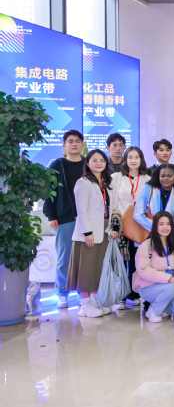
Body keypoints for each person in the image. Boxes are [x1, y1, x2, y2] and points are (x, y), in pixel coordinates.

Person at [67, 150, 120, 317]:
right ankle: (85, 304)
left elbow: (112, 208)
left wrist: (114, 227)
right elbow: (81, 210)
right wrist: (87, 233)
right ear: (88, 163)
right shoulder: (83, 182)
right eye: (94, 160)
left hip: (104, 230)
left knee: (98, 268)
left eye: (102, 160)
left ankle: (95, 301)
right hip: (88, 232)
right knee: (86, 268)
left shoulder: (106, 183)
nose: (98, 163)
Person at [44, 130, 85, 309]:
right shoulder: (57, 165)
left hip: (86, 218)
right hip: (64, 217)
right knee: (64, 257)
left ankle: (83, 293)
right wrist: (51, 214)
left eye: (77, 141)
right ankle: (62, 293)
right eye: (70, 141)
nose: (74, 144)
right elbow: (48, 190)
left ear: (83, 144)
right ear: (64, 145)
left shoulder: (88, 164)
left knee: (84, 258)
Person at [109, 146, 151, 309]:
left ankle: (133, 293)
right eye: (130, 157)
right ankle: (119, 295)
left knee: (136, 259)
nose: (133, 160)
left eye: (136, 157)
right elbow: (113, 201)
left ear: (141, 159)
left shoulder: (148, 179)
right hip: (120, 224)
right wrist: (114, 223)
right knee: (119, 261)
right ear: (125, 160)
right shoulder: (116, 177)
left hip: (140, 224)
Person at [133, 212, 174, 323]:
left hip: (171, 287)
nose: (165, 227)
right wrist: (168, 278)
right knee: (172, 288)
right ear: (155, 226)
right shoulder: (146, 245)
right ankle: (154, 311)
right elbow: (143, 269)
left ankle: (160, 307)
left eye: (168, 224)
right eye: (161, 224)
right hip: (148, 287)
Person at [133, 164, 174, 237]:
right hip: (148, 234)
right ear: (158, 176)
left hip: (168, 236)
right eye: (162, 176)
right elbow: (137, 214)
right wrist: (157, 228)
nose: (165, 178)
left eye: (169, 176)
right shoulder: (147, 189)